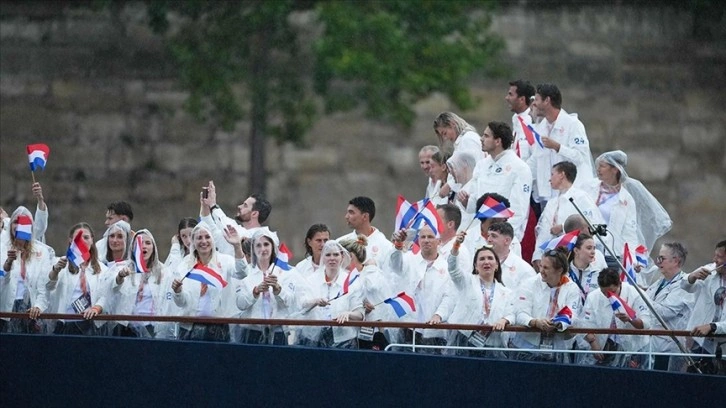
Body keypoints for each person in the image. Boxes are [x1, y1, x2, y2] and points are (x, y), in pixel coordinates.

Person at [170, 222, 248, 342]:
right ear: (193, 242)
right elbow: (181, 303)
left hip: (218, 327)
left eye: (207, 237)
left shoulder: (225, 261)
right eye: (199, 238)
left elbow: (242, 272)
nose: (204, 241)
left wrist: (237, 246)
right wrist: (178, 291)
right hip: (189, 327)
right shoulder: (185, 265)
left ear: (212, 240)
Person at [445, 232, 516, 358]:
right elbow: (453, 268)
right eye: (482, 259)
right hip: (463, 339)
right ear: (476, 266)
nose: (486, 262)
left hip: (491, 343)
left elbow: (512, 313)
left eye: (490, 258)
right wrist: (456, 246)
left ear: (497, 265)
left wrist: (504, 320)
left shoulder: (506, 292)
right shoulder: (466, 281)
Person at [389, 225, 455, 353]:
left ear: (439, 241)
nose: (426, 240)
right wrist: (398, 245)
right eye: (423, 237)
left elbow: (450, 296)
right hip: (408, 326)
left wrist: (439, 315)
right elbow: (394, 265)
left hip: (435, 329)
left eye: (430, 237)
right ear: (418, 240)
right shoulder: (408, 260)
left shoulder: (447, 268)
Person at [527, 83, 594, 208]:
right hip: (549, 197)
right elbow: (536, 159)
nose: (533, 104)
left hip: (574, 196)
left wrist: (558, 147)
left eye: (536, 99)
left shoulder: (573, 124)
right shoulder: (542, 127)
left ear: (547, 100)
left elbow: (580, 157)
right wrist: (519, 173)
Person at [236, 228, 307, 345]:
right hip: (252, 331)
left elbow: (290, 303)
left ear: (273, 247)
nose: (262, 249)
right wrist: (255, 291)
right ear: (253, 249)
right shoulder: (245, 272)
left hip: (278, 332)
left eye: (266, 244)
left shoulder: (286, 272)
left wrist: (277, 289)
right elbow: (240, 304)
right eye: (258, 245)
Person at [465, 121, 532, 242]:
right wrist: (466, 202)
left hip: (504, 238)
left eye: (486, 136)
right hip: (480, 234)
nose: (481, 139)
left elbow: (518, 210)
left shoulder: (520, 168)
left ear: (497, 141)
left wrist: (501, 235)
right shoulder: (481, 165)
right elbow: (473, 204)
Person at [512, 247, 582, 362]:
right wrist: (535, 322)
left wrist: (558, 324)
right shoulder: (529, 284)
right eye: (541, 266)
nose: (541, 271)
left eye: (546, 268)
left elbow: (572, 314)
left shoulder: (572, 287)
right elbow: (520, 313)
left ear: (559, 270)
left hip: (557, 349)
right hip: (527, 347)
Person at [533, 161, 603, 269]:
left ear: (562, 175)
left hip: (574, 254)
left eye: (552, 174)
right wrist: (537, 255)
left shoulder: (581, 198)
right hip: (554, 255)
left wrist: (563, 227)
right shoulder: (552, 203)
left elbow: (591, 225)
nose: (549, 179)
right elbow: (544, 230)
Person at [297, 240, 364, 349]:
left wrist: (348, 314)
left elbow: (360, 314)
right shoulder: (311, 280)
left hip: (343, 338)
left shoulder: (351, 281)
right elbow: (301, 306)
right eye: (328, 255)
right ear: (323, 257)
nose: (332, 258)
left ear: (342, 256)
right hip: (313, 338)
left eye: (336, 254)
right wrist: (315, 302)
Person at [578, 268, 650, 368]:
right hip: (603, 349)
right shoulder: (593, 297)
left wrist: (630, 319)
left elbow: (646, 323)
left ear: (619, 283)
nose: (609, 296)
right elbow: (584, 324)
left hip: (633, 350)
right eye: (604, 293)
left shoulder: (636, 294)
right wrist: (593, 342)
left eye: (612, 292)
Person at [47, 223, 110, 336]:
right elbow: (49, 286)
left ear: (92, 240)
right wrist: (56, 270)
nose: (82, 241)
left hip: (90, 325)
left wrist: (96, 308)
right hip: (65, 323)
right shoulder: (61, 263)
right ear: (71, 240)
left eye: (86, 237)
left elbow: (106, 295)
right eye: (78, 238)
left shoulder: (103, 269)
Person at [0, 207, 53, 333]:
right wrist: (8, 263)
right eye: (15, 222)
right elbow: (2, 279)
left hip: (31, 310)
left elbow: (43, 286)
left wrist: (38, 306)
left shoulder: (41, 252)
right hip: (6, 309)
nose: (19, 226)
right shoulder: (2, 249)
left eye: (24, 223)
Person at [645, 242, 694, 371]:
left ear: (676, 261)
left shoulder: (684, 285)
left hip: (668, 349)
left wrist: (641, 298)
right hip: (651, 346)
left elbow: (665, 312)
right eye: (658, 258)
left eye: (662, 258)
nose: (658, 262)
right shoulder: (660, 282)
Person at [340, 234, 392, 350]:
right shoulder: (342, 276)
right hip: (350, 334)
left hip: (373, 331)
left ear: (350, 256)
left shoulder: (372, 273)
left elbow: (376, 292)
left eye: (341, 255)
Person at [682, 240, 726, 374]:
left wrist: (712, 326)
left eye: (719, 257)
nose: (714, 260)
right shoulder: (709, 271)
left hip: (723, 349)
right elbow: (684, 286)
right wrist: (692, 277)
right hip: (699, 343)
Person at [200, 181, 272, 255]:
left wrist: (213, 205)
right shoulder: (234, 231)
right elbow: (210, 229)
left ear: (254, 213)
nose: (239, 206)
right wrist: (205, 206)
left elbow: (229, 229)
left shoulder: (265, 236)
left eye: (245, 205)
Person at [462, 193, 522, 258]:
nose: (507, 217)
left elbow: (518, 266)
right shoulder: (466, 239)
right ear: (492, 216)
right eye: (503, 213)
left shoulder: (512, 242)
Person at [337, 196, 393, 264]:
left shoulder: (386, 246)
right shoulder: (340, 243)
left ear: (365, 216)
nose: (346, 216)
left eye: (351, 212)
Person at [487, 222, 535, 292]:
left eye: (494, 236)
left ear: (507, 241)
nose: (489, 239)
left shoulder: (524, 270)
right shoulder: (481, 263)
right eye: (488, 236)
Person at [568, 233, 605, 305]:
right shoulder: (565, 272)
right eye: (589, 248)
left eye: (594, 248)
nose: (593, 252)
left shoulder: (598, 274)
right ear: (576, 250)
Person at [447, 150, 479, 232]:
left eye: (453, 168)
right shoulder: (462, 188)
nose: (451, 173)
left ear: (464, 167)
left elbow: (466, 221)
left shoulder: (472, 189)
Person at [505, 79, 536, 160]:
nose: (507, 98)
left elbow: (534, 154)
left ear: (522, 99)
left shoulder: (531, 121)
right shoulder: (516, 119)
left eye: (511, 95)